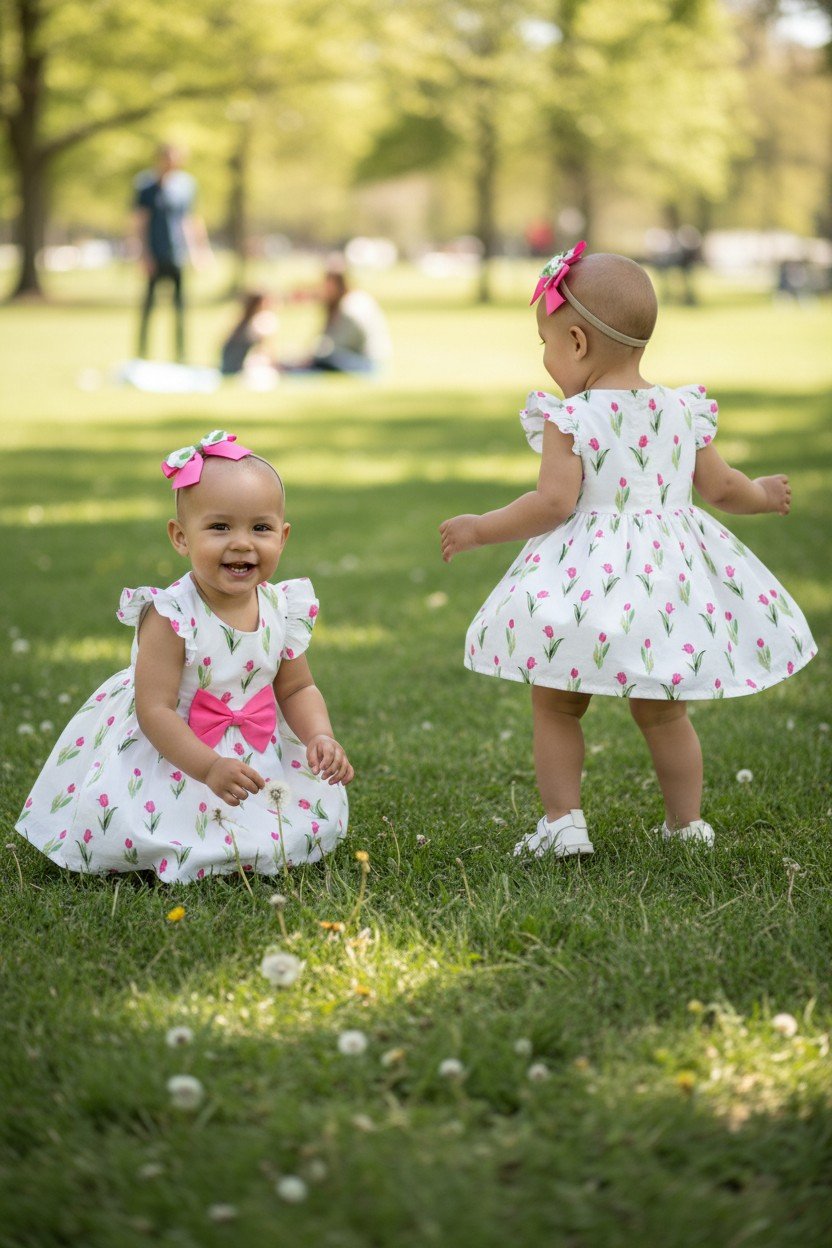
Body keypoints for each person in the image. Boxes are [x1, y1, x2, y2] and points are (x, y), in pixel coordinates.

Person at [439, 242, 816, 858]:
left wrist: (480, 527)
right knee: (666, 713)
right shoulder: (680, 408)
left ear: (579, 343)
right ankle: (686, 825)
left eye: (547, 343)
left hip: (586, 581)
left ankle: (564, 824)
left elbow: (555, 504)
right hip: (668, 582)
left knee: (557, 703)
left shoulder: (574, 418)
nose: (546, 359)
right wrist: (764, 494)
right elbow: (721, 488)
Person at [15, 430, 352, 881]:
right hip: (174, 747)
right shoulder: (171, 614)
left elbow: (297, 686)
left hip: (253, 745)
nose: (241, 542)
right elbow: (154, 709)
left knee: (286, 828)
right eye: (219, 527)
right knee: (159, 828)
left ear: (283, 536)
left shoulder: (281, 608)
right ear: (180, 537)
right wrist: (208, 766)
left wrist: (319, 736)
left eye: (261, 527)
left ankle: (248, 833)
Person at [131, 143, 210, 362]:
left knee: (180, 308)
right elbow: (140, 221)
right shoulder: (146, 185)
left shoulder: (186, 185)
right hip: (154, 254)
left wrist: (199, 251)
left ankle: (180, 355)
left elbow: (190, 220)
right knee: (149, 307)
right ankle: (142, 354)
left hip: (178, 254)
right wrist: (141, 254)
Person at [284, 260, 391, 374]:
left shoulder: (351, 307)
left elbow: (336, 345)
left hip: (366, 363)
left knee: (321, 358)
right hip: (362, 359)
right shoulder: (351, 299)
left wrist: (307, 358)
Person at [220, 291, 279, 376]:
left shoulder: (243, 322)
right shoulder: (258, 322)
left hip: (230, 366)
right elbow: (264, 350)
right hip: (238, 368)